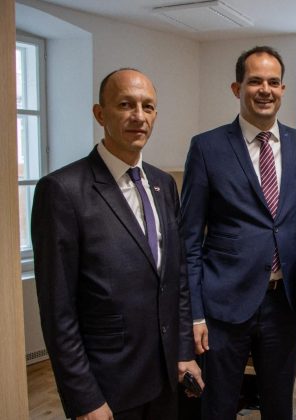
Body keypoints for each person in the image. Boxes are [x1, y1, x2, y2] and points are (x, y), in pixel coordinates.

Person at [31, 68, 203, 420]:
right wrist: (84, 398)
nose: (139, 116)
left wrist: (184, 351)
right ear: (100, 114)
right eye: (125, 104)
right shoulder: (63, 191)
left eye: (147, 106)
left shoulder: (163, 185)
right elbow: (58, 310)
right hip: (108, 387)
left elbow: (177, 279)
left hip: (166, 378)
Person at [180, 45, 296, 420]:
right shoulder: (207, 147)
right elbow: (189, 240)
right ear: (237, 88)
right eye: (255, 81)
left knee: (279, 406)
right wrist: (194, 315)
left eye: (274, 82)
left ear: (283, 89)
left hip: (285, 303)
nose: (265, 90)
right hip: (223, 305)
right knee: (218, 406)